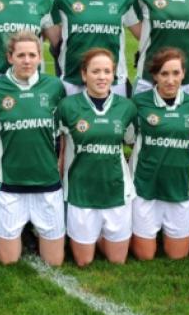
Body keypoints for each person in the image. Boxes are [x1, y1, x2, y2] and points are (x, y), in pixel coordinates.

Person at [0, 31, 66, 266]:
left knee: (55, 262)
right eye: (20, 55)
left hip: (47, 184)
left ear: (40, 57)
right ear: (10, 57)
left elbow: (63, 133)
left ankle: (33, 233)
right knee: (8, 261)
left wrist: (60, 163)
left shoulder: (55, 87)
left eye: (32, 55)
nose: (26, 60)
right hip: (9, 186)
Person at [57, 48, 137, 266]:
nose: (102, 77)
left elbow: (131, 142)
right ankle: (92, 233)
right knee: (83, 261)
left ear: (113, 75)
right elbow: (61, 146)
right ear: (84, 75)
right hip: (80, 193)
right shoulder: (68, 107)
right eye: (95, 71)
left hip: (116, 190)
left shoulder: (127, 108)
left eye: (107, 71)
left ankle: (102, 233)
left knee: (117, 260)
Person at [129, 48, 189, 260]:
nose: (170, 80)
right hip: (146, 186)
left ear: (183, 74)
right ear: (154, 75)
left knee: (177, 256)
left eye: (176, 73)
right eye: (164, 74)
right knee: (145, 256)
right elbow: (129, 138)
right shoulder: (138, 103)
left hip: (180, 187)